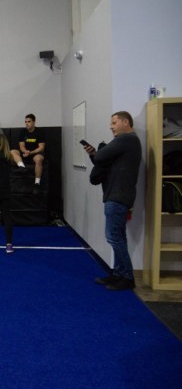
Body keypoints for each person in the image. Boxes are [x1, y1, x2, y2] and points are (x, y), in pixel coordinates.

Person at [83, 111, 141, 291]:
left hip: (118, 196)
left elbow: (101, 158)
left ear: (126, 122)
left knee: (113, 237)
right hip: (117, 195)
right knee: (118, 236)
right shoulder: (128, 142)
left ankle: (127, 277)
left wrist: (98, 153)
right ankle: (118, 274)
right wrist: (95, 154)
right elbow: (101, 160)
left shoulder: (127, 139)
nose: (111, 126)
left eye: (114, 123)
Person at [11, 113, 46, 194]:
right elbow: (21, 146)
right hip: (26, 153)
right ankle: (22, 167)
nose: (27, 123)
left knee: (38, 159)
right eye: (25, 122)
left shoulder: (40, 132)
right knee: (12, 152)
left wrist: (30, 153)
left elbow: (41, 148)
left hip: (35, 153)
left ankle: (37, 183)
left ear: (34, 122)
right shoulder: (23, 132)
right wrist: (25, 151)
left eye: (29, 121)